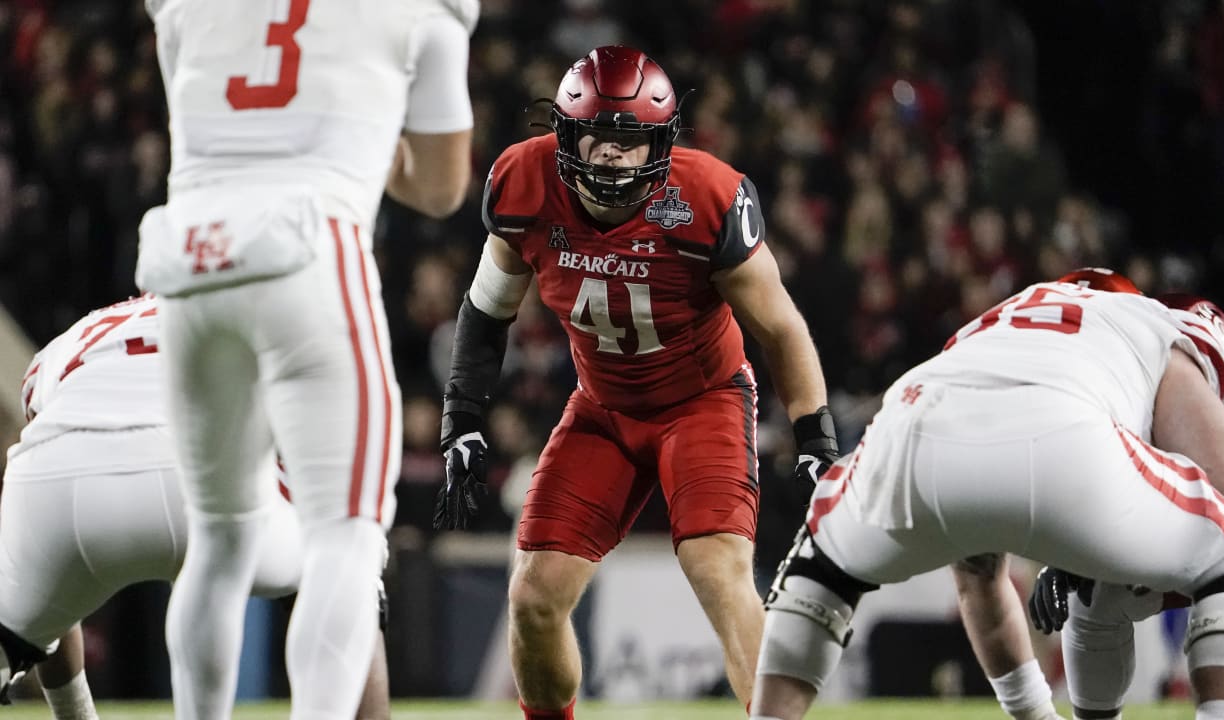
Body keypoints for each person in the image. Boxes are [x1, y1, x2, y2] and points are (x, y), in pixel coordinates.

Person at [432, 45, 836, 718]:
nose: (614, 154)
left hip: (701, 401)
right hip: (604, 406)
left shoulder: (705, 195)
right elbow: (485, 310)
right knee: (534, 596)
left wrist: (815, 436)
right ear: (565, 134)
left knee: (718, 568)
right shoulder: (525, 182)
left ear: (660, 142)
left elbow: (781, 327)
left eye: (631, 138)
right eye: (599, 134)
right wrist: (463, 417)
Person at [133, 0, 476, 717]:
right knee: (346, 536)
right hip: (310, 250)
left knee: (220, 540)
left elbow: (205, 119)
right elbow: (442, 187)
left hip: (189, 257)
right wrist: (358, 130)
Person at [749, 275, 1224, 720]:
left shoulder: (996, 324)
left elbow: (979, 585)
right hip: (1064, 432)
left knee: (819, 568)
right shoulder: (1159, 327)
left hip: (915, 414)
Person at [0, 295, 392, 720]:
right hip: (203, 479)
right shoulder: (270, 310)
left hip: (64, 485)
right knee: (349, 564)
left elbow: (41, 452)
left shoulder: (76, 335)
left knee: (35, 597)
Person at [951, 274, 1224, 720]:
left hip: (1221, 541)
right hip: (1170, 536)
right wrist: (1073, 555)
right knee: (1095, 595)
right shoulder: (1087, 391)